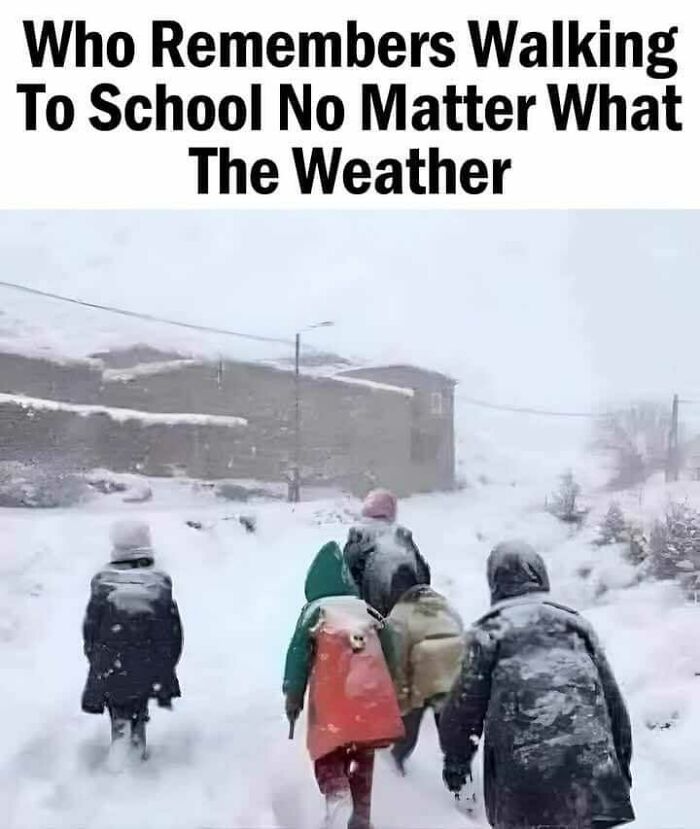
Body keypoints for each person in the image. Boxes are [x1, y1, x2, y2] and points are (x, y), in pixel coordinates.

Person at [439, 540, 634, 829]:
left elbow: (463, 711)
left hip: (526, 784)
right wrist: (620, 766)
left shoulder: (488, 634)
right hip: (594, 777)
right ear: (541, 576)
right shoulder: (577, 626)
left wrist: (456, 763)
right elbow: (613, 704)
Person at [283, 541, 404, 829]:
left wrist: (293, 695)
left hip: (333, 697)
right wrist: (394, 689)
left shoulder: (315, 611)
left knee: (327, 752)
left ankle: (337, 799)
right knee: (362, 755)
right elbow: (392, 650)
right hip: (371, 698)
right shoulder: (367, 610)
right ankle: (360, 816)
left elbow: (298, 655)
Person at [81, 519, 183, 760]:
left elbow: (91, 628)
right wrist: (167, 664)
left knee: (118, 705)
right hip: (148, 662)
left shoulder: (102, 581)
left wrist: (96, 657)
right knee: (138, 704)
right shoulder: (159, 582)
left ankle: (120, 745)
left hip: (110, 661)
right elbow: (172, 631)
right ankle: (136, 750)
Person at [387, 582, 464, 774]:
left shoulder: (399, 615)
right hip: (453, 677)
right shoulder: (447, 608)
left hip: (423, 679)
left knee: (408, 729)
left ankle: (397, 766)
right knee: (452, 735)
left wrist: (401, 697)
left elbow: (398, 659)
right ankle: (461, 781)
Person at [343, 489, 431, 617]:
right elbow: (423, 577)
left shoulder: (358, 538)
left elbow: (346, 578)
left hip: (369, 617)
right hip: (407, 616)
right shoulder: (402, 538)